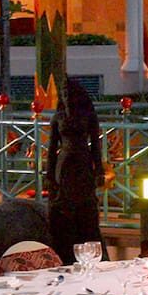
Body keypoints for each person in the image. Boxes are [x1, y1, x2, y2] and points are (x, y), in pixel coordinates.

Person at [44, 77, 105, 254]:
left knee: (85, 204)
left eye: (68, 94)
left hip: (83, 162)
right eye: (63, 94)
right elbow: (51, 148)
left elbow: (95, 145)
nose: (66, 97)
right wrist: (49, 175)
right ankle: (65, 247)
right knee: (63, 205)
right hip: (63, 165)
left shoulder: (88, 115)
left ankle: (87, 244)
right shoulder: (58, 117)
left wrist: (99, 170)